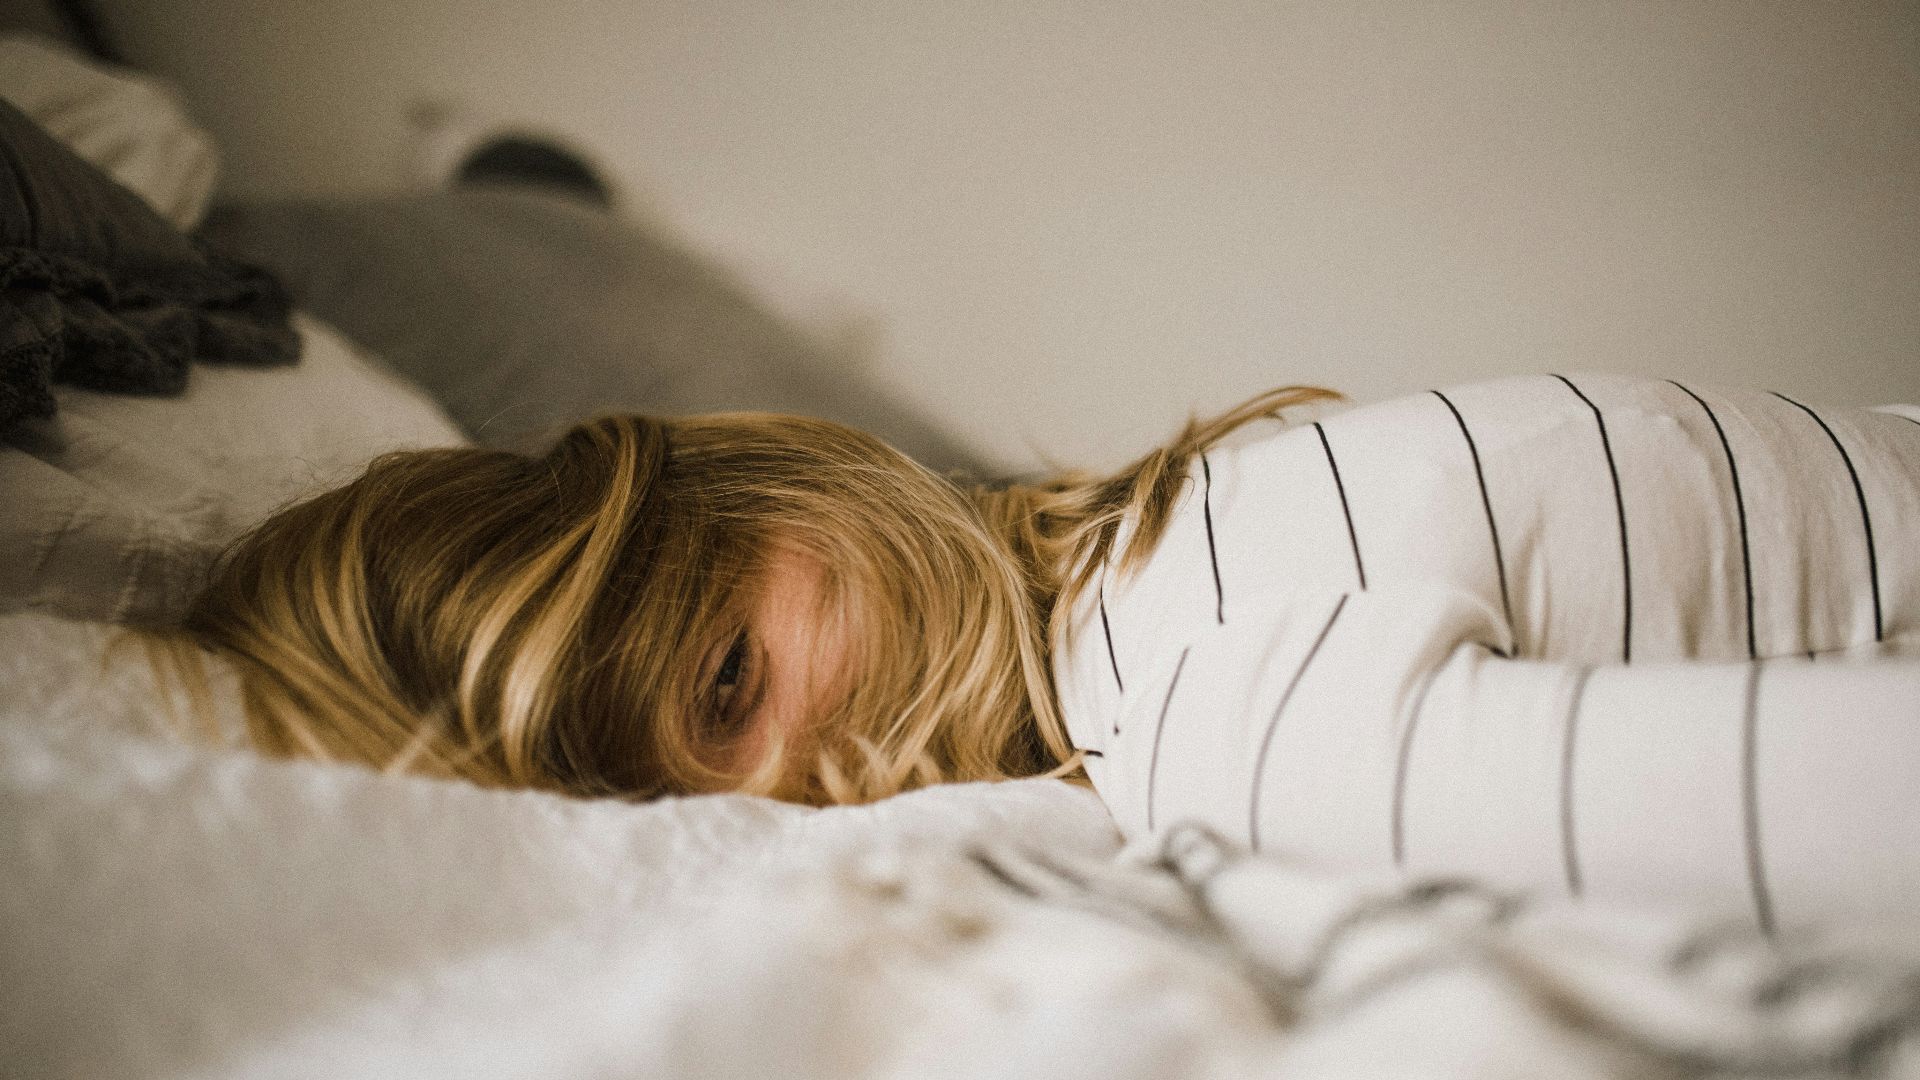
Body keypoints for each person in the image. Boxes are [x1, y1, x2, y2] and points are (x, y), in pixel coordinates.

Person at [154, 374, 1920, 922]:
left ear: (792, 481)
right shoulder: (1177, 537)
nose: (794, 802)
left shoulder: (1214, 706)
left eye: (724, 686)